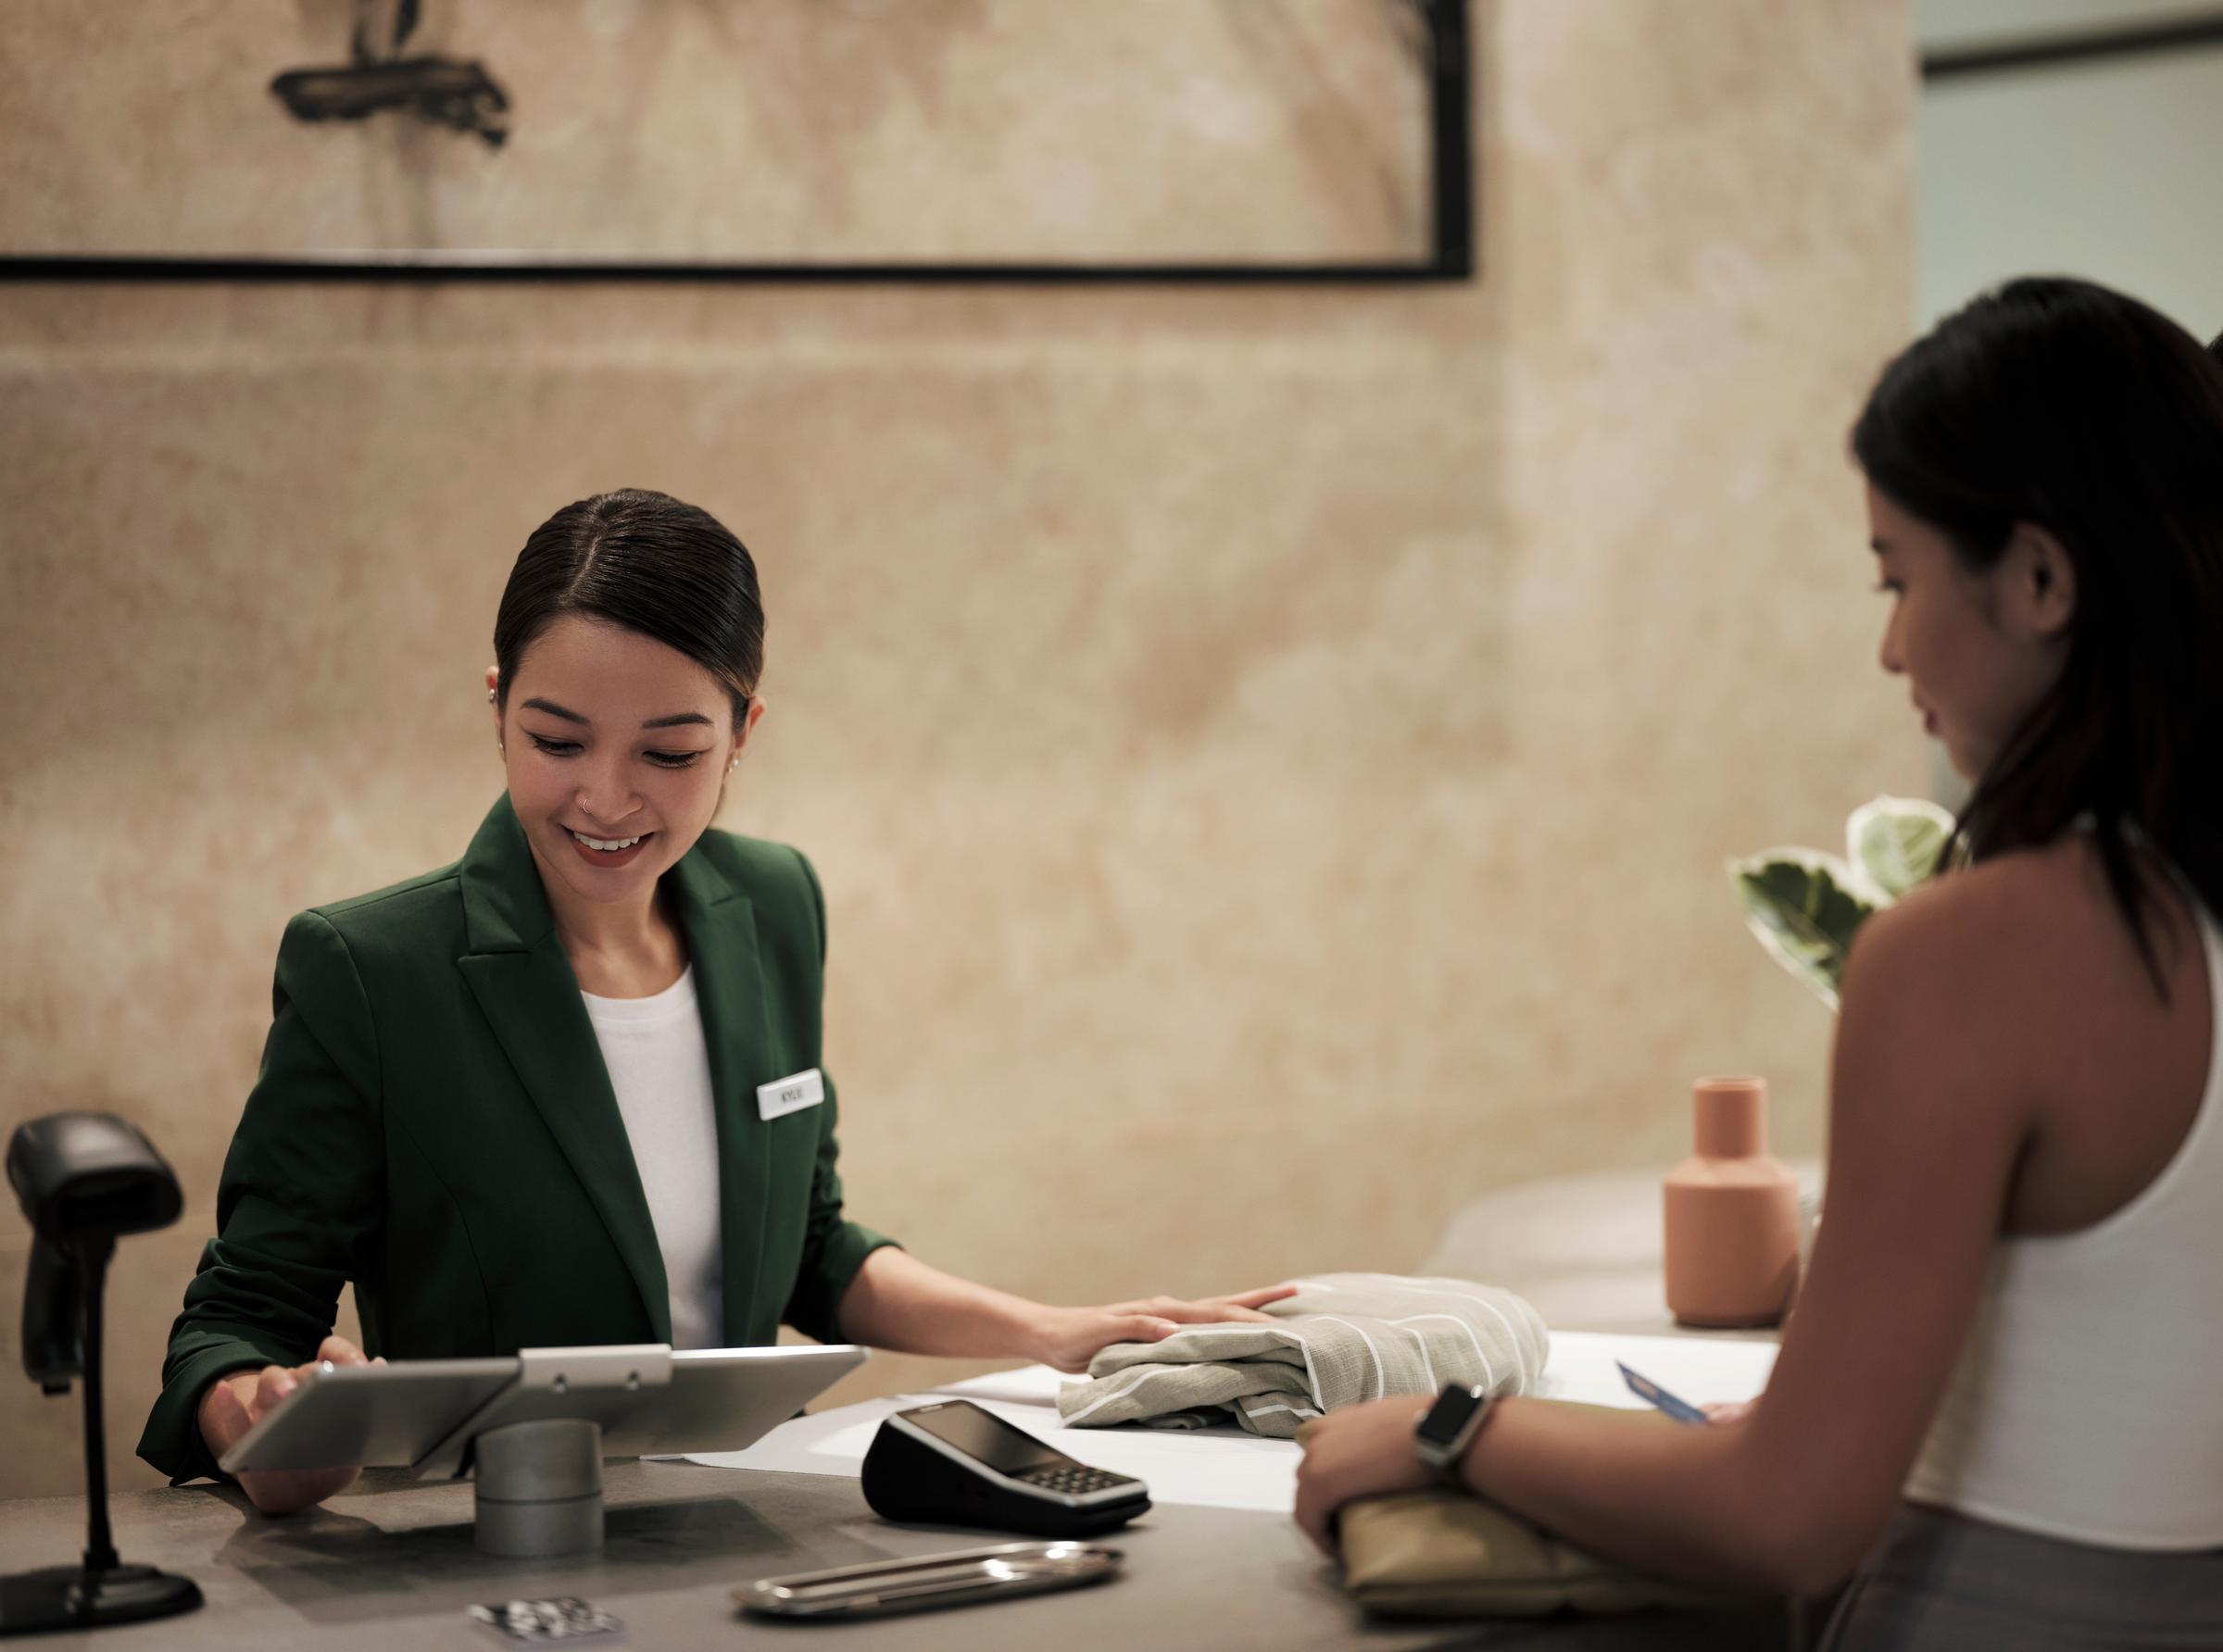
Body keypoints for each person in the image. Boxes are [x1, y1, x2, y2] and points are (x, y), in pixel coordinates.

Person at [1294, 279, 2223, 1646]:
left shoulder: (1972, 957)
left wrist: (1449, 1429)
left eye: (1899, 578)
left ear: (2038, 578)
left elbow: (1789, 1514)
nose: (1890, 646)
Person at [139, 488, 1291, 1514]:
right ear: (497, 709)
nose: (605, 797)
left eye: (670, 753)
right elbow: (233, 1327)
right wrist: (266, 1426)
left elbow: (807, 1247)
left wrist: (1055, 1331)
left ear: (743, 732)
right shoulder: (373, 967)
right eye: (557, 739)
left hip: (742, 1531)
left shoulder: (773, 905)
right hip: (499, 1551)